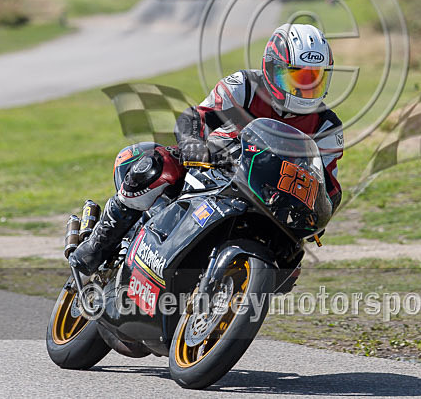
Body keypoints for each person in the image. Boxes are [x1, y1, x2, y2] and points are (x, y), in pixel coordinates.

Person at [70, 24, 344, 275]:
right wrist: (193, 145)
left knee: (290, 258)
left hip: (270, 195)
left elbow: (329, 186)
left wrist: (318, 210)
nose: (304, 88)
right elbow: (197, 116)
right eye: (295, 77)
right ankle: (98, 244)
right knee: (153, 167)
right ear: (272, 69)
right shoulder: (246, 86)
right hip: (215, 164)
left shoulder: (327, 125)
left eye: (314, 80)